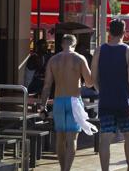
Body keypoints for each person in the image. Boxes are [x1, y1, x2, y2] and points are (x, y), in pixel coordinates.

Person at [40, 35, 95, 171]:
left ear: (61, 44)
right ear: (74, 44)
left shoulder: (53, 60)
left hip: (58, 101)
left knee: (60, 137)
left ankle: (62, 168)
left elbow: (46, 86)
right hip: (74, 101)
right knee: (72, 139)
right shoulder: (79, 58)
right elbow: (89, 83)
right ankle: (67, 170)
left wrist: (43, 106)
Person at [91, 19, 129, 171]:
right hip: (124, 101)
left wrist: (101, 90)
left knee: (105, 138)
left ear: (109, 32)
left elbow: (93, 77)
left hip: (106, 101)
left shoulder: (99, 50)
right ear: (124, 33)